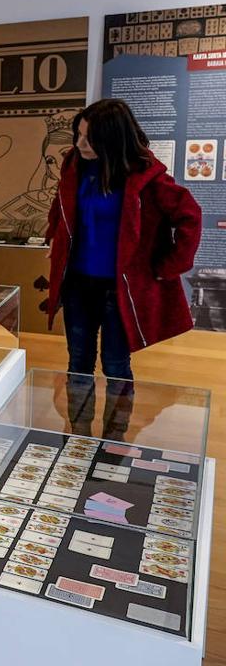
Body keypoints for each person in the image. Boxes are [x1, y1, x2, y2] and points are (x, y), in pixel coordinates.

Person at [45, 98, 201, 439]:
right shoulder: (74, 165)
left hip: (120, 290)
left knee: (116, 366)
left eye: (89, 138)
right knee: (78, 364)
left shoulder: (146, 175)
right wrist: (55, 240)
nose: (79, 144)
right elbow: (64, 209)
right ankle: (80, 435)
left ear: (113, 140)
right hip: (79, 285)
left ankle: (113, 441)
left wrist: (170, 265)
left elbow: (190, 216)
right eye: (79, 135)